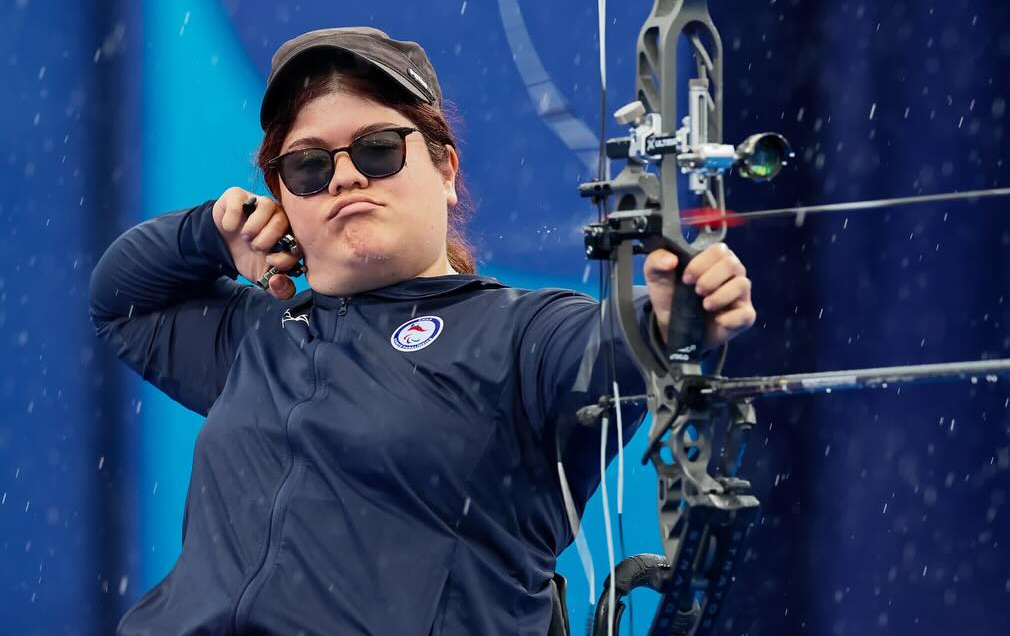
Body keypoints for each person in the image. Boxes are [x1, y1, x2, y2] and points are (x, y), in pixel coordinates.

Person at [89, 26, 756, 636]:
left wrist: (676, 312)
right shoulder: (254, 335)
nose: (345, 175)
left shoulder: (520, 333)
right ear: (283, 196)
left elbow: (624, 342)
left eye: (378, 149)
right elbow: (121, 301)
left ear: (445, 169)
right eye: (308, 166)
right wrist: (210, 231)